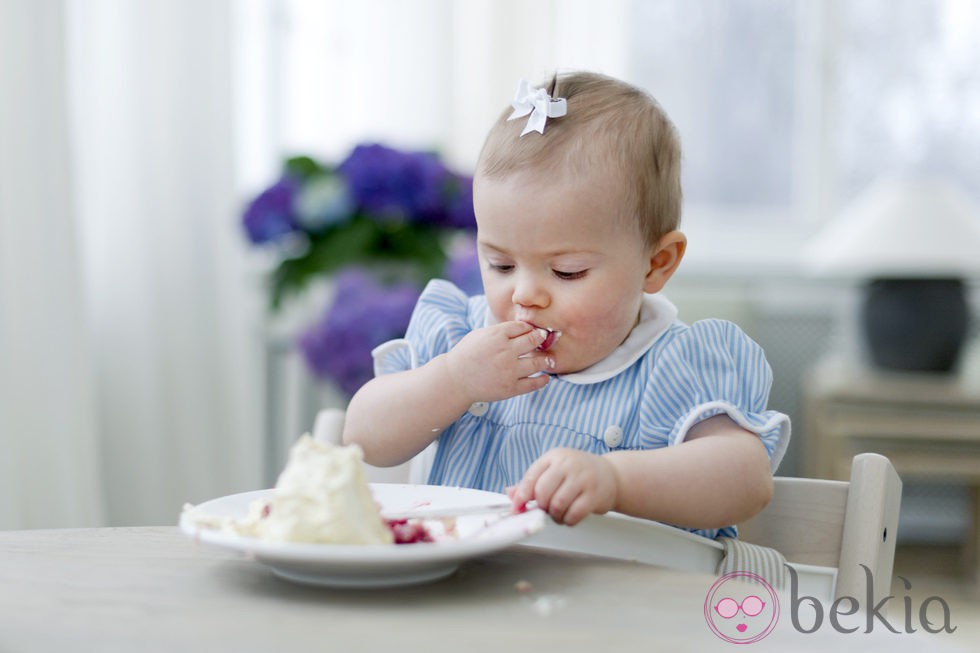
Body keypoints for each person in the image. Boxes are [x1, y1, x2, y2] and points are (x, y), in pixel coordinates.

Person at [343, 71, 790, 539]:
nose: (524, 295)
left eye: (567, 271)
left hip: (622, 607)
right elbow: (364, 436)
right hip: (467, 602)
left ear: (656, 263)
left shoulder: (678, 364)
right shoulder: (460, 337)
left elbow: (745, 480)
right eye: (500, 264)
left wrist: (616, 480)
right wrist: (453, 379)